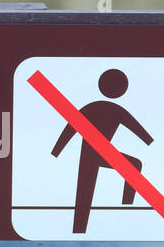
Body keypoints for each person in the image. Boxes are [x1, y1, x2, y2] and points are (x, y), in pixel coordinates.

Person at [49, 68, 154, 234]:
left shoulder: (99, 109)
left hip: (102, 154)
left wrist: (148, 140)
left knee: (132, 166)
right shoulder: (105, 109)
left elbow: (136, 128)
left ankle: (125, 208)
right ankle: (84, 228)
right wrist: (56, 151)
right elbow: (70, 129)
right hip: (92, 155)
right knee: (85, 196)